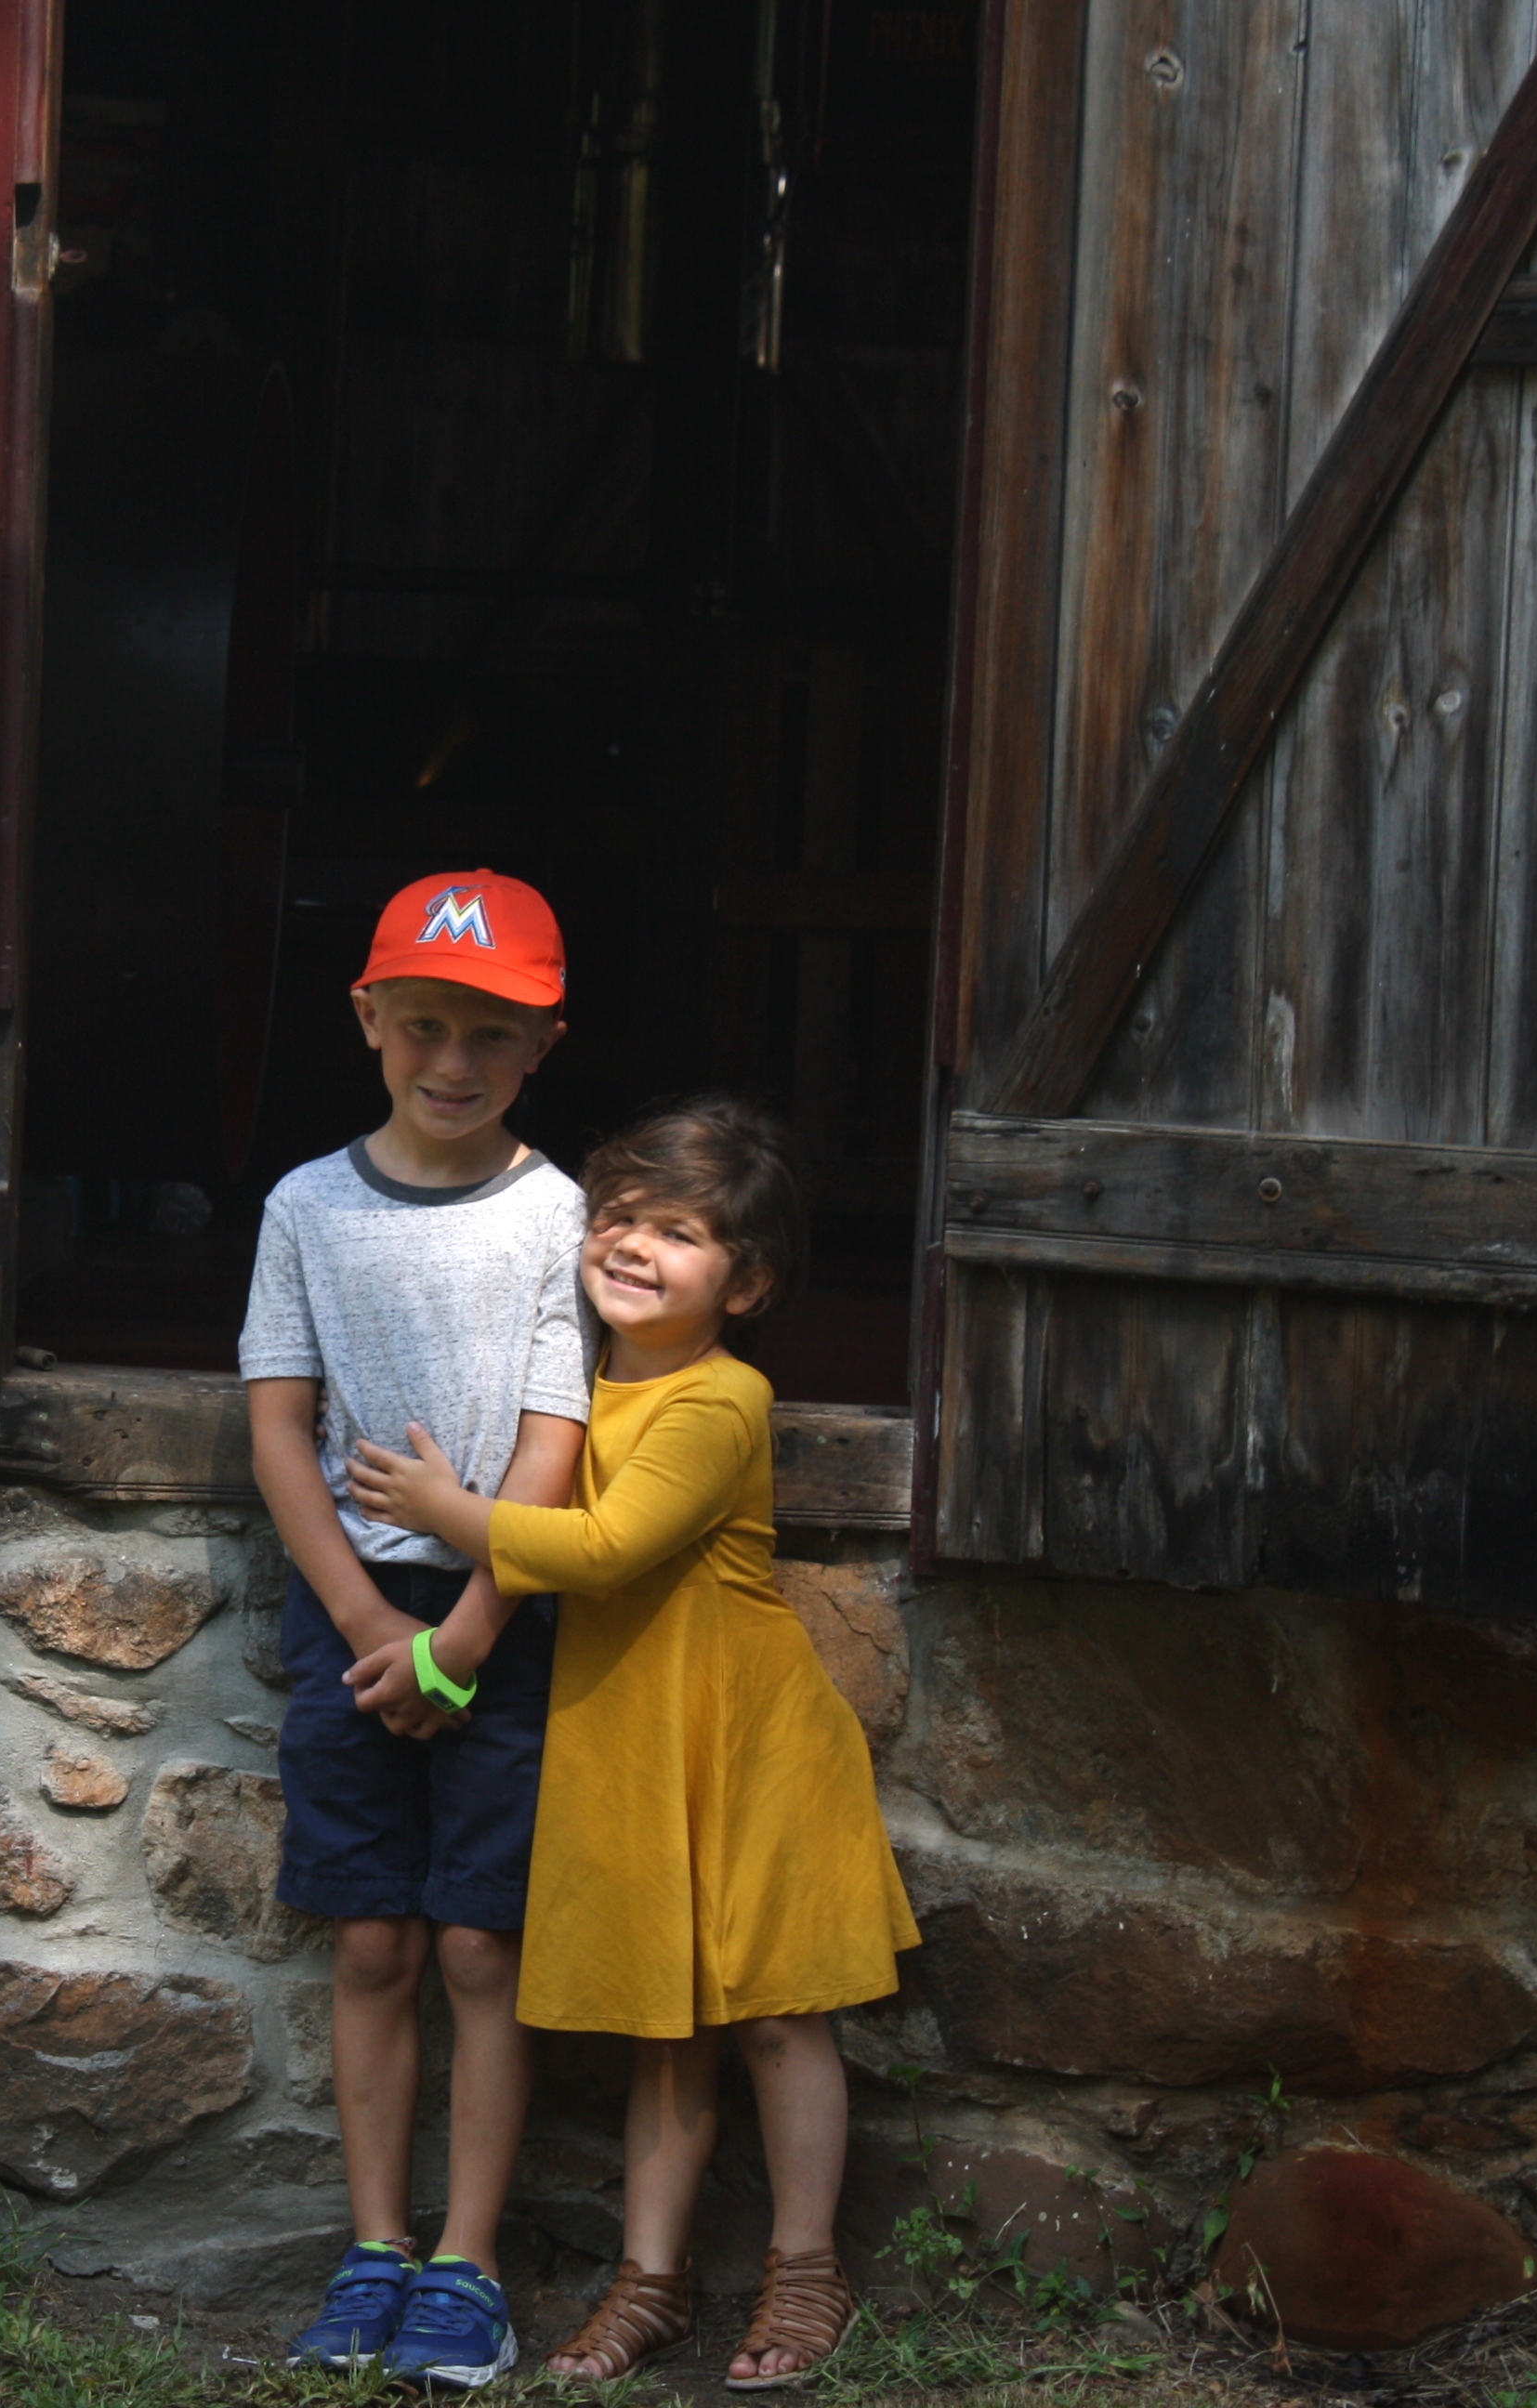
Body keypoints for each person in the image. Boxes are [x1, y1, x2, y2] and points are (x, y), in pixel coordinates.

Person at [348, 1097, 919, 2392]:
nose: (634, 1246)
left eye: (680, 1233)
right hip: (632, 1743)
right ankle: (650, 2284)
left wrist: (450, 1511)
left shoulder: (724, 1398)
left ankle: (806, 2269)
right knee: (666, 2029)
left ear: (748, 1284)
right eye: (617, 1218)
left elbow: (604, 1550)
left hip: (747, 1741)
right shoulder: (569, 1391)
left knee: (779, 2017)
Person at [242, 869, 593, 2391]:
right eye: (427, 1025)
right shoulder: (307, 1208)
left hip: (499, 1615)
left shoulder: (556, 1213)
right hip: (352, 1607)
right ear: (369, 1018)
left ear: (545, 1046)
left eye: (493, 1034)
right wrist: (368, 1617)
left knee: (476, 1944)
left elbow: (556, 1434)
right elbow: (280, 1426)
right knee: (376, 1937)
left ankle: (471, 2264)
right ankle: (376, 2245)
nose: (455, 1061)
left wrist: (467, 1636)